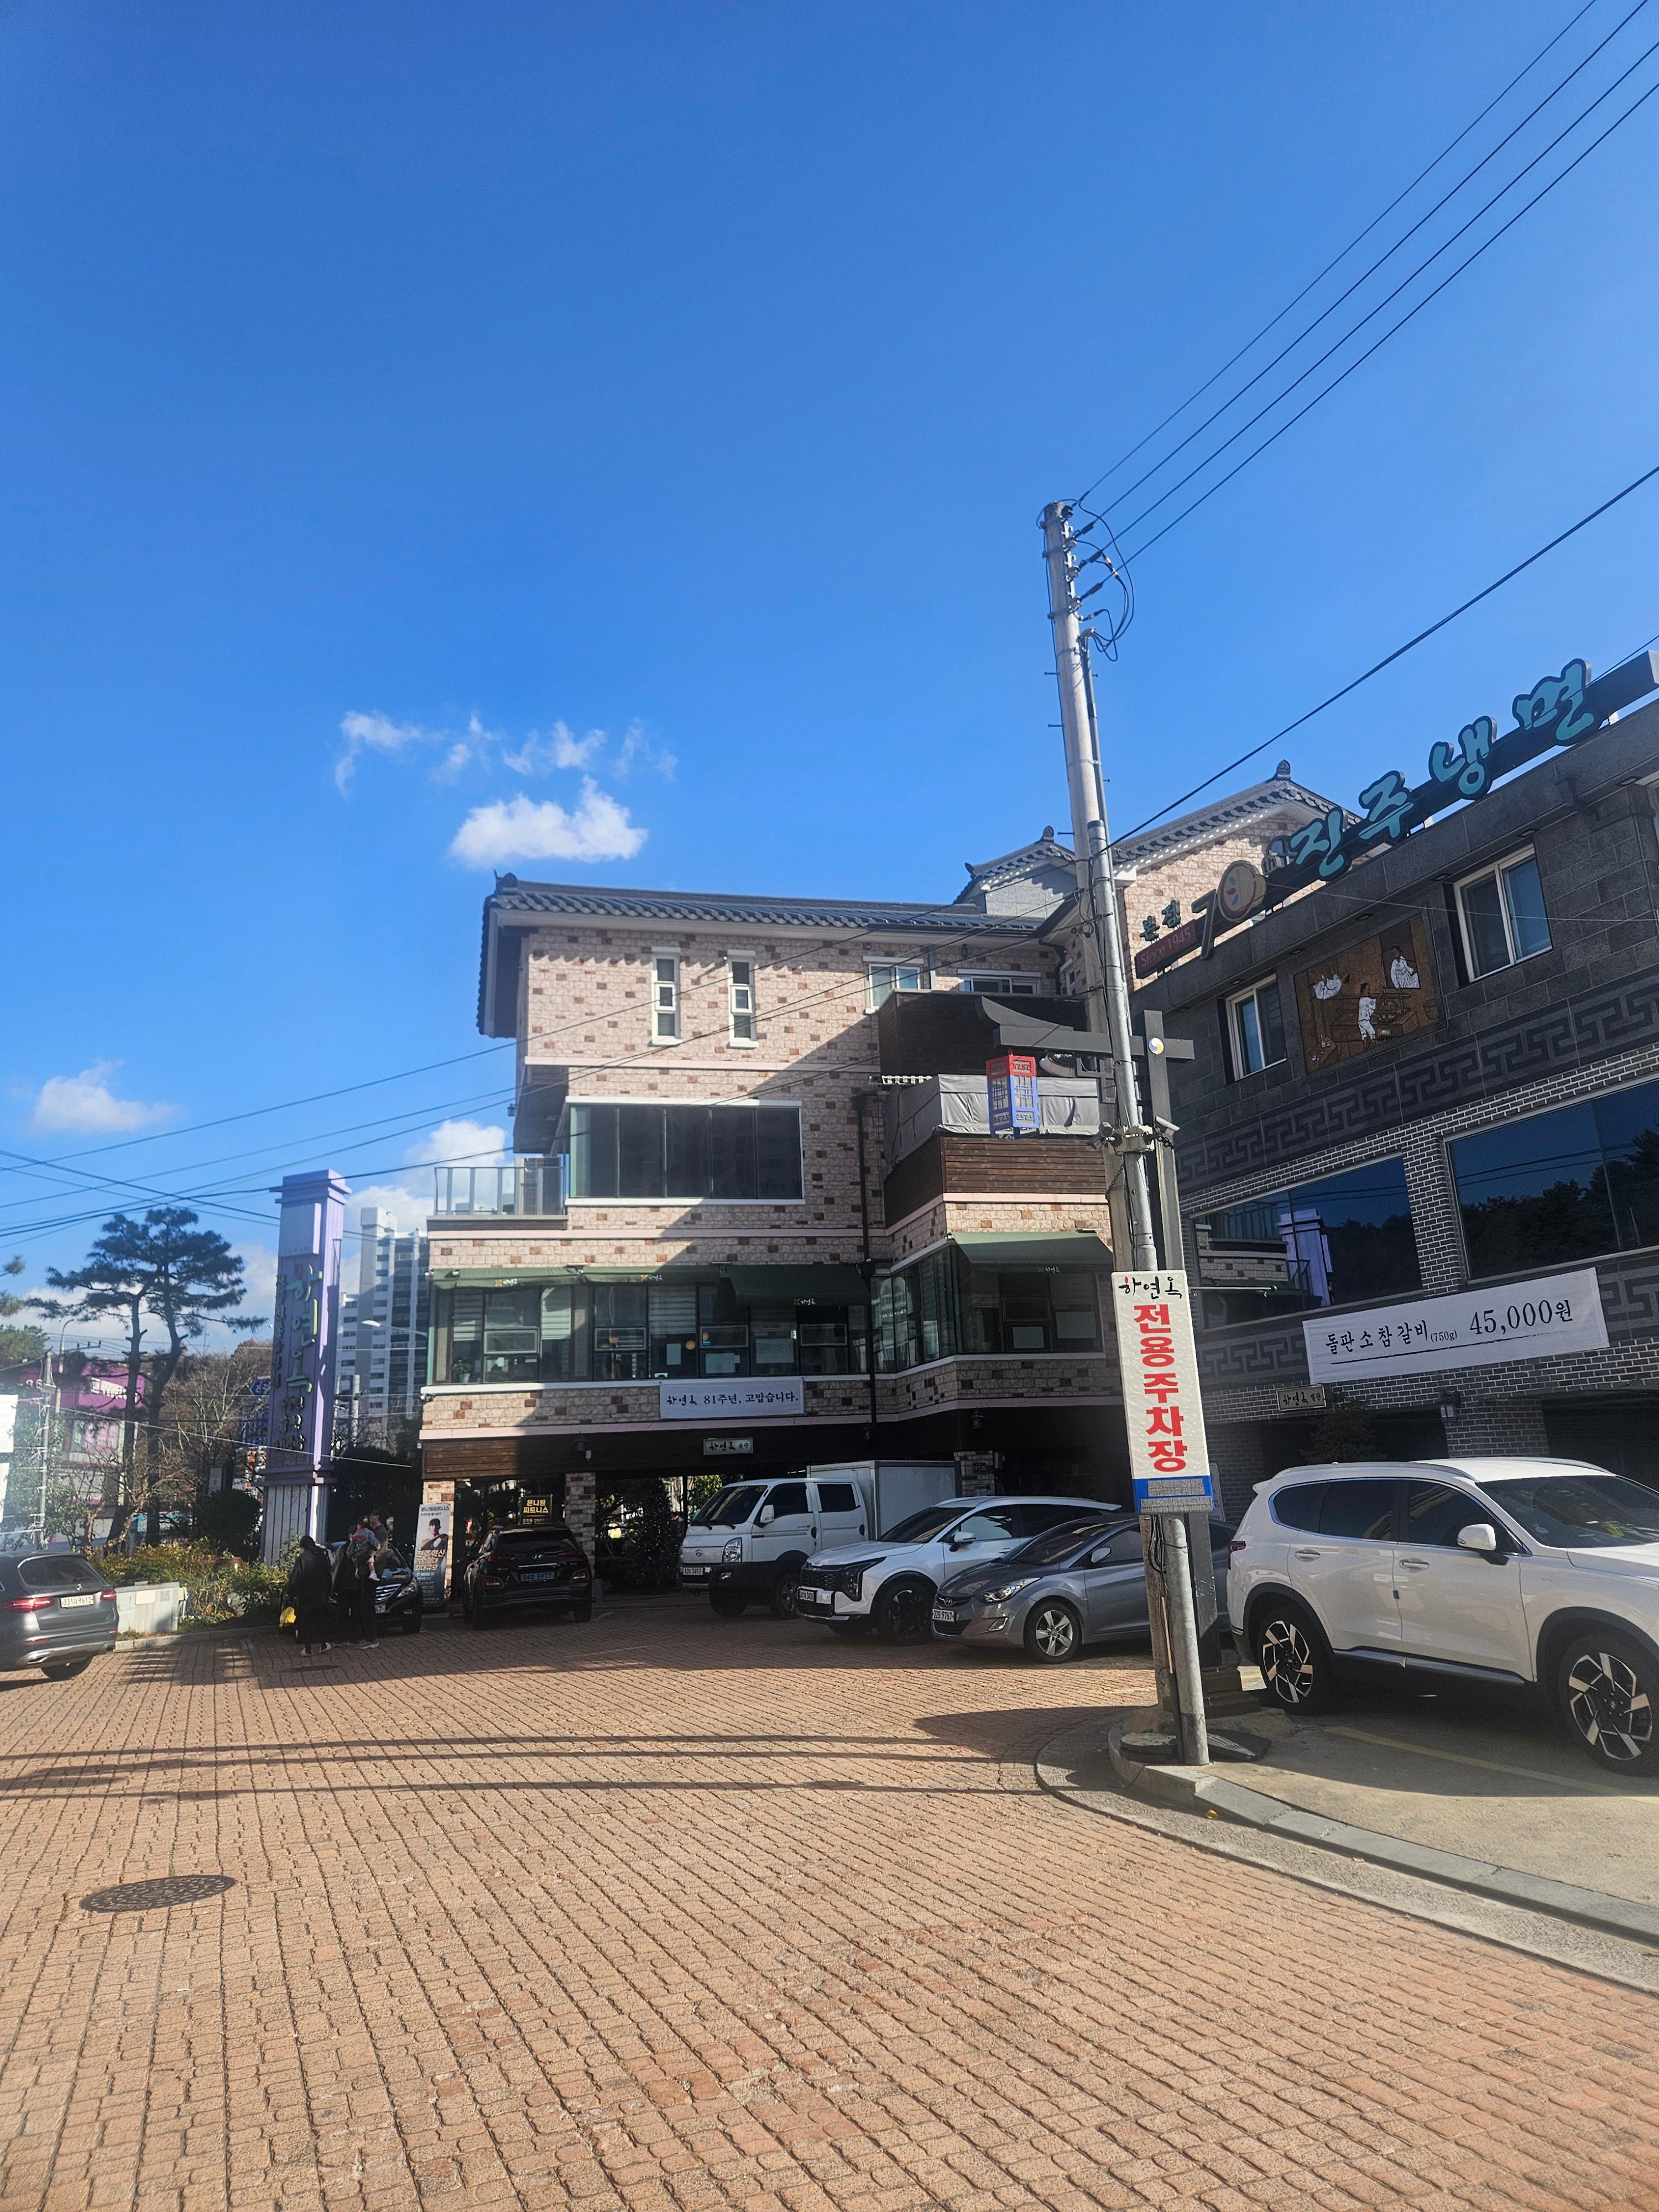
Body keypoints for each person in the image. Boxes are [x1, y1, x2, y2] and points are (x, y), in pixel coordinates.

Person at [286, 1535, 334, 1656]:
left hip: (306, 1597)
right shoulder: (322, 1557)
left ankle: (308, 1649)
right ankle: (323, 1644)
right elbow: (328, 1576)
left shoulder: (302, 1559)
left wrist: (291, 1595)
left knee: (306, 1623)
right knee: (321, 1621)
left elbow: (295, 1578)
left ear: (303, 1547)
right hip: (321, 1596)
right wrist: (328, 1592)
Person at [333, 1525, 377, 1650]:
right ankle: (340, 1638)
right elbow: (337, 1565)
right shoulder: (343, 1549)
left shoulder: (364, 1548)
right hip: (344, 1586)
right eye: (353, 1535)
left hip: (357, 1585)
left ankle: (354, 1638)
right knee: (342, 1613)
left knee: (356, 1614)